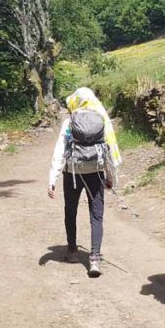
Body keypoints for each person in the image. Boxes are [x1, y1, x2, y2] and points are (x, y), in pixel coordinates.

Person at [48, 88, 121, 277]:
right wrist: (110, 176)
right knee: (96, 215)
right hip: (95, 172)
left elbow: (59, 150)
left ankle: (72, 251)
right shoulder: (101, 119)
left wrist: (52, 178)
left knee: (70, 210)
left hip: (72, 172)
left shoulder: (70, 121)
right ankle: (95, 258)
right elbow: (109, 149)